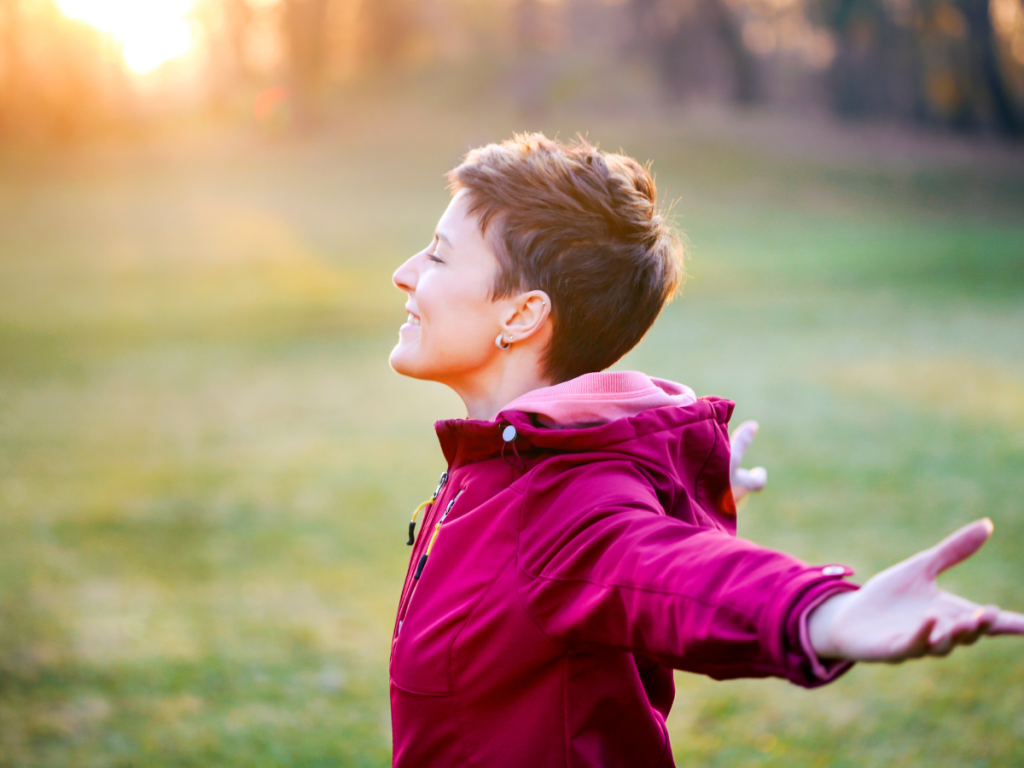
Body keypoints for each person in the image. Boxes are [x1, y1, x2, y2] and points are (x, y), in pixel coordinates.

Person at [386, 132, 1023, 767]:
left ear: (523, 315)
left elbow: (675, 576)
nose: (404, 273)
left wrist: (826, 616)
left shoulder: (559, 505)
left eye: (438, 258)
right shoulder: (509, 461)